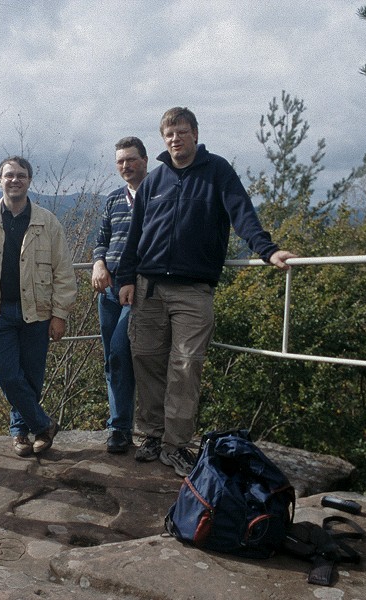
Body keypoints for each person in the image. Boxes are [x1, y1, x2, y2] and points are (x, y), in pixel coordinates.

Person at [117, 107, 297, 477]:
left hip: (193, 290)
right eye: (169, 134)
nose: (175, 139)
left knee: (185, 366)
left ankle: (176, 444)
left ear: (195, 134)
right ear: (163, 138)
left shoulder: (218, 172)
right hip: (149, 287)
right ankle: (151, 436)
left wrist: (267, 249)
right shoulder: (155, 179)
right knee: (147, 360)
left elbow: (242, 214)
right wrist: (126, 278)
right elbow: (136, 233)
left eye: (182, 132)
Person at [0, 156, 77, 457]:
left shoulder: (47, 221)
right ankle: (43, 424)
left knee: (31, 376)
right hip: (0, 310)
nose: (15, 180)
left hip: (38, 311)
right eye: (9, 175)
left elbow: (64, 272)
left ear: (29, 180)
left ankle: (21, 434)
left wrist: (60, 314)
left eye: (21, 175)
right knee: (7, 374)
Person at [91, 136, 148, 455]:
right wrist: (99, 262)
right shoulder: (114, 199)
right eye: (120, 161)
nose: (125, 166)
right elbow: (101, 239)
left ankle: (123, 427)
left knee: (120, 350)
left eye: (131, 159)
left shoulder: (157, 195)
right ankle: (119, 427)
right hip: (108, 289)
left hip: (137, 290)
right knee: (112, 360)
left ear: (145, 160)